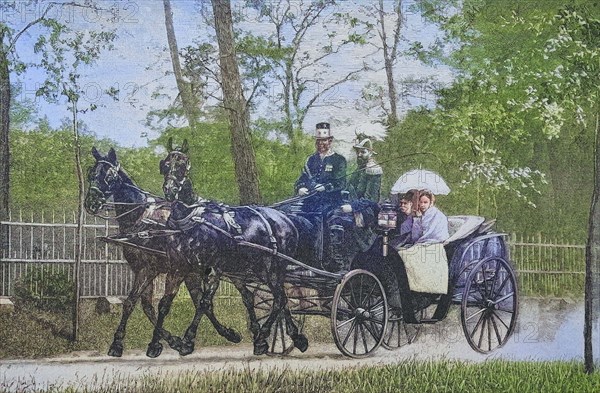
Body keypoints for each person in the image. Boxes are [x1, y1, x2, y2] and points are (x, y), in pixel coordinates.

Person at [294, 122, 347, 213]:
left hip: (331, 203)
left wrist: (325, 187)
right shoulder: (311, 159)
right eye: (318, 141)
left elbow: (341, 183)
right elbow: (303, 179)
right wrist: (300, 188)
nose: (320, 143)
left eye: (323, 140)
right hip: (310, 202)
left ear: (330, 141)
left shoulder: (339, 160)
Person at [347, 134, 382, 204]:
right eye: (357, 151)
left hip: (366, 210)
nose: (359, 154)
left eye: (363, 152)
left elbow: (371, 199)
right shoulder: (360, 167)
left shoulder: (373, 170)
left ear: (370, 153)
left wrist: (353, 208)